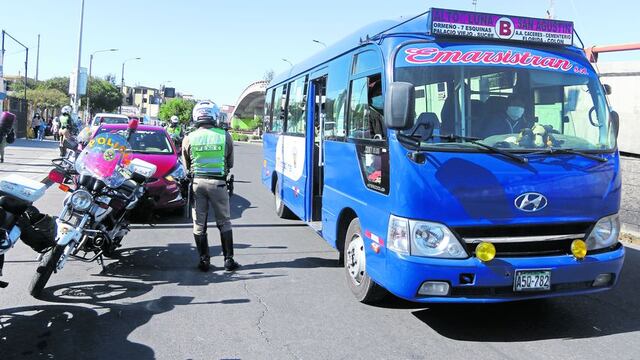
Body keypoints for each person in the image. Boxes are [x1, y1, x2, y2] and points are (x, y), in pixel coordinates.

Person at [182, 101, 239, 272]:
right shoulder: (224, 136)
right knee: (224, 222)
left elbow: (187, 164)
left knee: (199, 224)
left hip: (198, 184)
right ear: (214, 115)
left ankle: (204, 261)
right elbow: (230, 162)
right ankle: (228, 260)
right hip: (219, 184)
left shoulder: (189, 137)